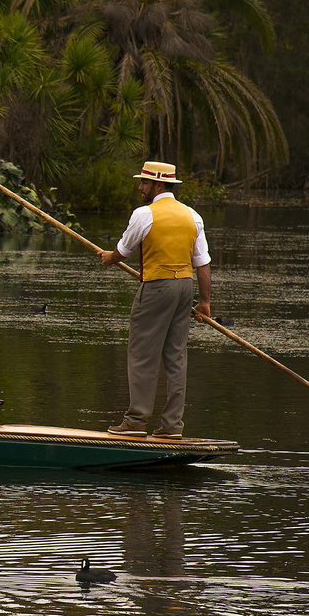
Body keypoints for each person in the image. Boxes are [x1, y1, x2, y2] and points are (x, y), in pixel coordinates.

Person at [97, 161, 212, 436]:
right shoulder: (192, 216)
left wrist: (109, 258)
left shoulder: (144, 214)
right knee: (175, 357)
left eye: (144, 183)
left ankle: (136, 422)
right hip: (185, 287)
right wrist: (204, 302)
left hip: (157, 287)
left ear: (159, 185)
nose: (140, 187)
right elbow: (203, 264)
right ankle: (172, 426)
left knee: (142, 354)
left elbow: (123, 250)